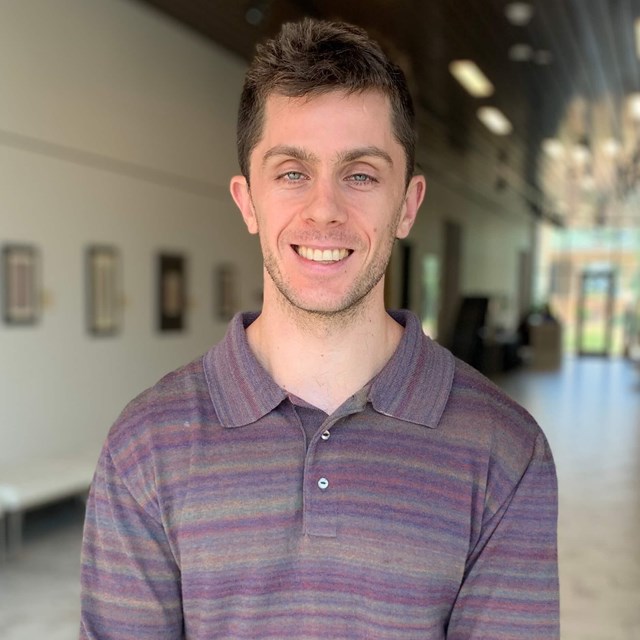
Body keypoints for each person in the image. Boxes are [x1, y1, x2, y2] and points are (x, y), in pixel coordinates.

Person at [80, 18, 559, 639]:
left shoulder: (505, 449)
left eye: (360, 174)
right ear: (248, 201)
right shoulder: (145, 445)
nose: (325, 209)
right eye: (291, 172)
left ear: (408, 204)